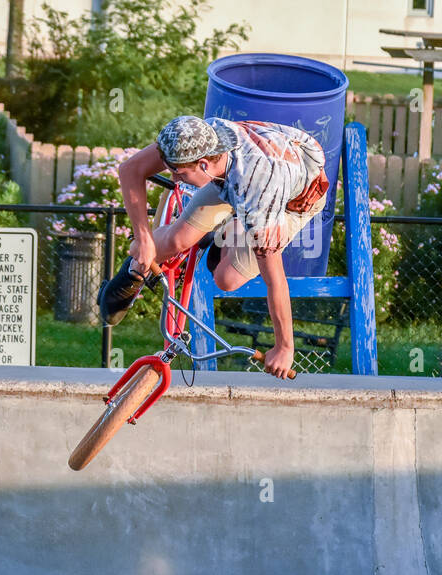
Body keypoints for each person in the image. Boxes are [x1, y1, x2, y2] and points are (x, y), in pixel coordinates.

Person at [97, 115, 329, 379]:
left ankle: (234, 225)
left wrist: (285, 347)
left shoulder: (260, 193)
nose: (173, 178)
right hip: (230, 179)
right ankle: (133, 272)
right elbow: (131, 170)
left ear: (204, 164)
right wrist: (144, 238)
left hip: (290, 200)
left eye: (179, 173)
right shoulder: (199, 137)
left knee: (226, 278)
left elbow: (275, 279)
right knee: (177, 240)